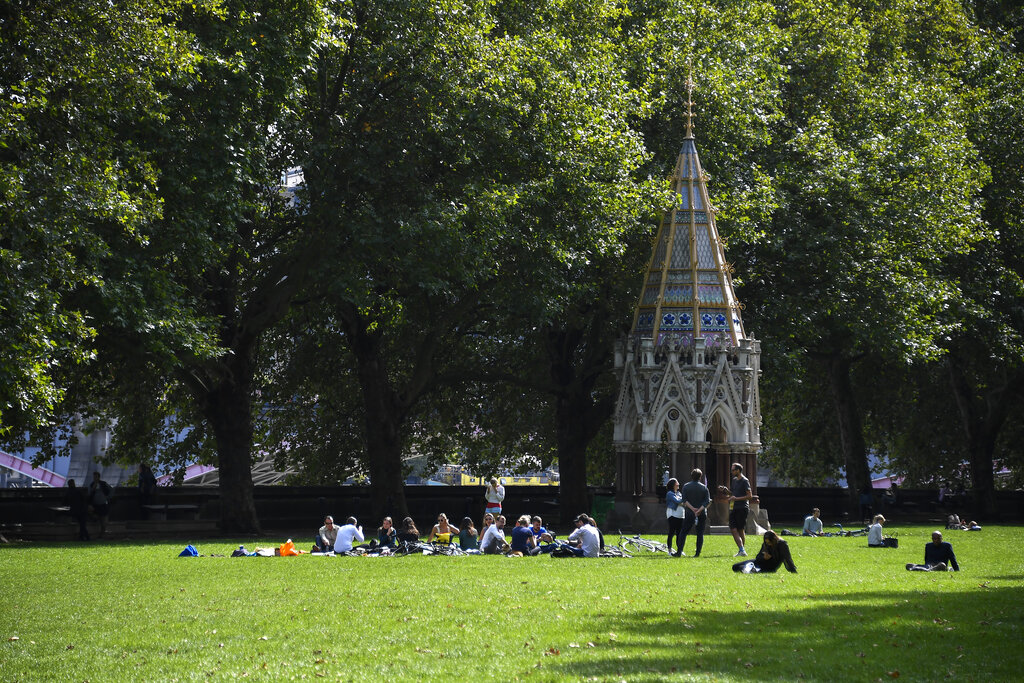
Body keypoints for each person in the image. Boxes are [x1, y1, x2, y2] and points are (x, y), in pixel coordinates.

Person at [679, 468, 711, 557]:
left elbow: (684, 500)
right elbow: (707, 501)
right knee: (700, 533)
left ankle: (679, 551)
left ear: (691, 476)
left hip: (689, 512)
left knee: (684, 532)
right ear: (700, 477)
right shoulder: (704, 487)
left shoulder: (686, 486)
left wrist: (692, 509)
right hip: (701, 513)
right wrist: (699, 509)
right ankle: (697, 553)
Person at [732, 530, 797, 573]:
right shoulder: (766, 544)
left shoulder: (782, 544)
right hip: (760, 562)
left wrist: (793, 570)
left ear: (774, 539)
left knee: (743, 568)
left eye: (769, 542)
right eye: (767, 542)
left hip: (770, 566)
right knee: (735, 567)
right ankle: (749, 569)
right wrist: (764, 558)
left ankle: (751, 570)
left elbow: (787, 558)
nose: (768, 544)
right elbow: (758, 557)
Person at [728, 463, 752, 556]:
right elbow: (733, 493)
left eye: (733, 470)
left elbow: (749, 496)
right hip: (733, 507)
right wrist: (726, 490)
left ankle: (742, 550)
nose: (732, 471)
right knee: (733, 528)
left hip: (742, 508)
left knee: (740, 529)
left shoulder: (745, 481)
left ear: (738, 470)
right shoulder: (734, 480)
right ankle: (741, 549)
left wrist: (735, 499)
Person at [88, 471, 112, 537]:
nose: (95, 478)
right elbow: (89, 494)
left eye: (96, 477)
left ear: (99, 477)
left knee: (103, 520)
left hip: (103, 504)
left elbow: (110, 490)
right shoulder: (92, 484)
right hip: (95, 504)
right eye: (94, 477)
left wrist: (108, 497)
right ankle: (100, 531)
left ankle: (102, 534)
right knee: (95, 516)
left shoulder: (103, 483)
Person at [665, 477, 684, 555]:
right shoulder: (670, 493)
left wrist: (682, 501)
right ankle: (669, 550)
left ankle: (679, 550)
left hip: (681, 515)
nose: (678, 484)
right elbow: (677, 501)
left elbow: (682, 502)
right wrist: (684, 499)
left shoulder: (679, 493)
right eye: (677, 483)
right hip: (673, 515)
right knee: (672, 532)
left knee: (679, 534)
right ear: (673, 485)